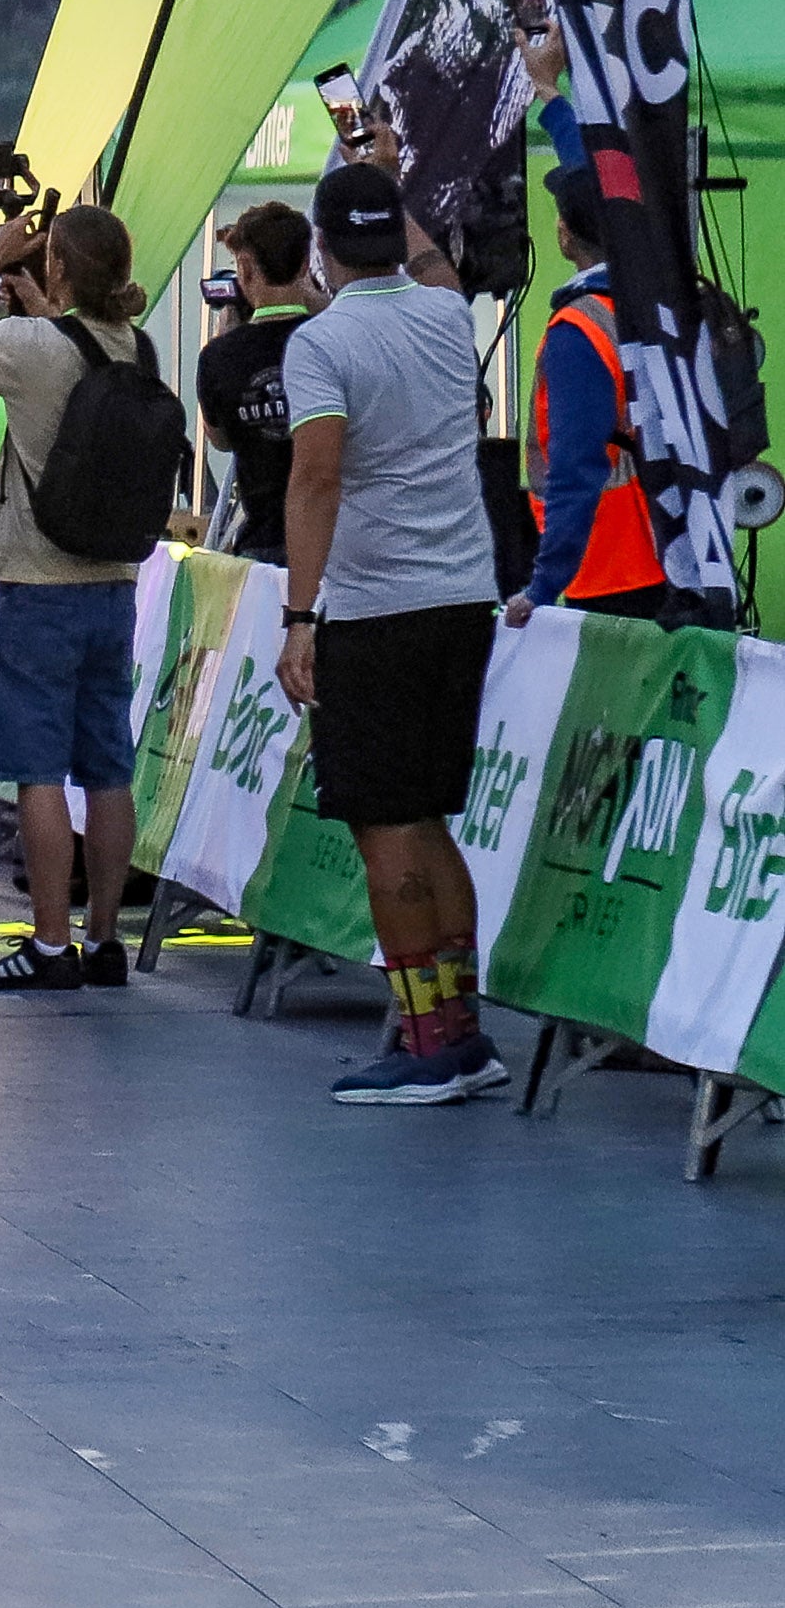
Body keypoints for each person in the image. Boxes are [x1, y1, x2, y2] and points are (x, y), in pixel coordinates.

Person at [278, 160, 507, 1105]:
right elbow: (435, 266)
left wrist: (298, 617)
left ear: (322, 251)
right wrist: (390, 170)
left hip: (377, 609)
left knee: (386, 829)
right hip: (464, 598)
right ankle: (461, 1033)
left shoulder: (320, 343)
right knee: (428, 818)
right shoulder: (446, 314)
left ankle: (425, 1044)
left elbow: (316, 478)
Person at [0, 204, 156, 993]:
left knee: (39, 772)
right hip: (111, 585)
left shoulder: (29, 348)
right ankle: (104, 941)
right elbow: (73, 346)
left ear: (55, 269)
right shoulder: (135, 344)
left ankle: (48, 944)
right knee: (106, 768)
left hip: (37, 584)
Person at [516, 159, 665, 623]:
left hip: (609, 566)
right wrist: (554, 104)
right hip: (675, 550)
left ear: (565, 232)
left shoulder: (579, 328)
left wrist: (542, 586)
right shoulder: (659, 303)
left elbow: (575, 466)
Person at [197, 203, 325, 562]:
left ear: (246, 268)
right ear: (304, 265)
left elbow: (219, 440)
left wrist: (226, 339)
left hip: (263, 543)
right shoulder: (335, 337)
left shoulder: (218, 357)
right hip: (334, 539)